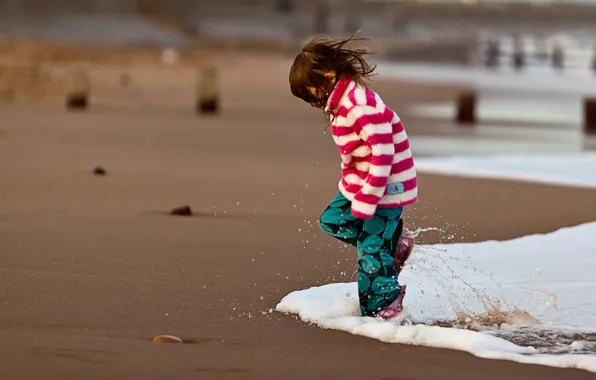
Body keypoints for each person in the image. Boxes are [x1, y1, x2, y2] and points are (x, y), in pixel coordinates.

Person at [289, 32, 417, 319]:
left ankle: (385, 304)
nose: (311, 100)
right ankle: (393, 246)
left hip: (384, 189)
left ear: (328, 74)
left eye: (310, 90)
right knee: (332, 220)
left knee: (370, 253)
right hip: (360, 185)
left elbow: (383, 154)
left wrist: (369, 198)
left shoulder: (361, 107)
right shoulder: (342, 104)